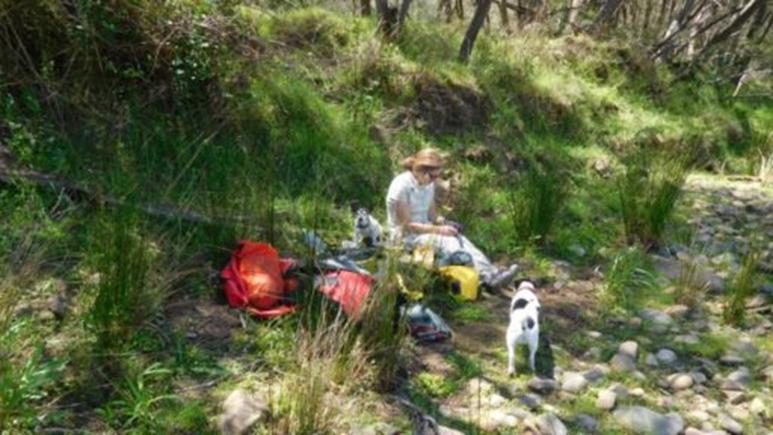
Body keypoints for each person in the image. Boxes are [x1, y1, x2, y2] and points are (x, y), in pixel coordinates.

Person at [385, 148, 518, 290]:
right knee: (449, 242)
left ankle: (491, 273)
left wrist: (445, 222)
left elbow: (432, 215)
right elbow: (407, 225)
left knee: (460, 238)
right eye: (433, 176)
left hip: (425, 230)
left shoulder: (428, 184)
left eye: (437, 176)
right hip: (406, 237)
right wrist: (439, 230)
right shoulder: (401, 185)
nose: (435, 180)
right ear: (422, 170)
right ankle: (487, 277)